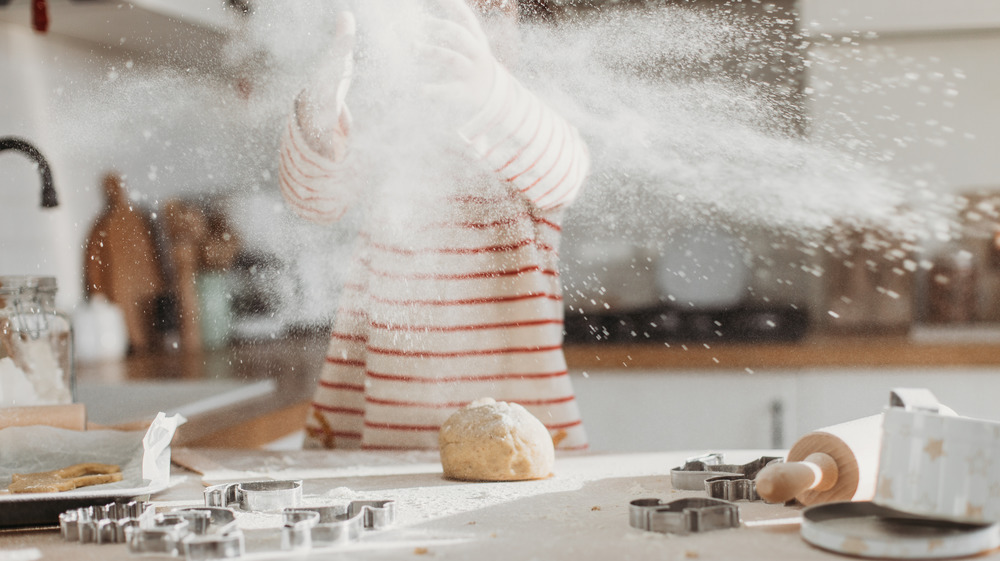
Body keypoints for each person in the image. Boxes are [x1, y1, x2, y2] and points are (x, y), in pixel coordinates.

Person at [278, 0, 590, 450]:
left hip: (515, 431)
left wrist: (489, 95)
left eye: (491, 8)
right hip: (377, 431)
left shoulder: (527, 125)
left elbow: (566, 171)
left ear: (528, 24)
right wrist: (316, 123)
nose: (462, 21)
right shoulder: (392, 128)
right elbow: (315, 201)